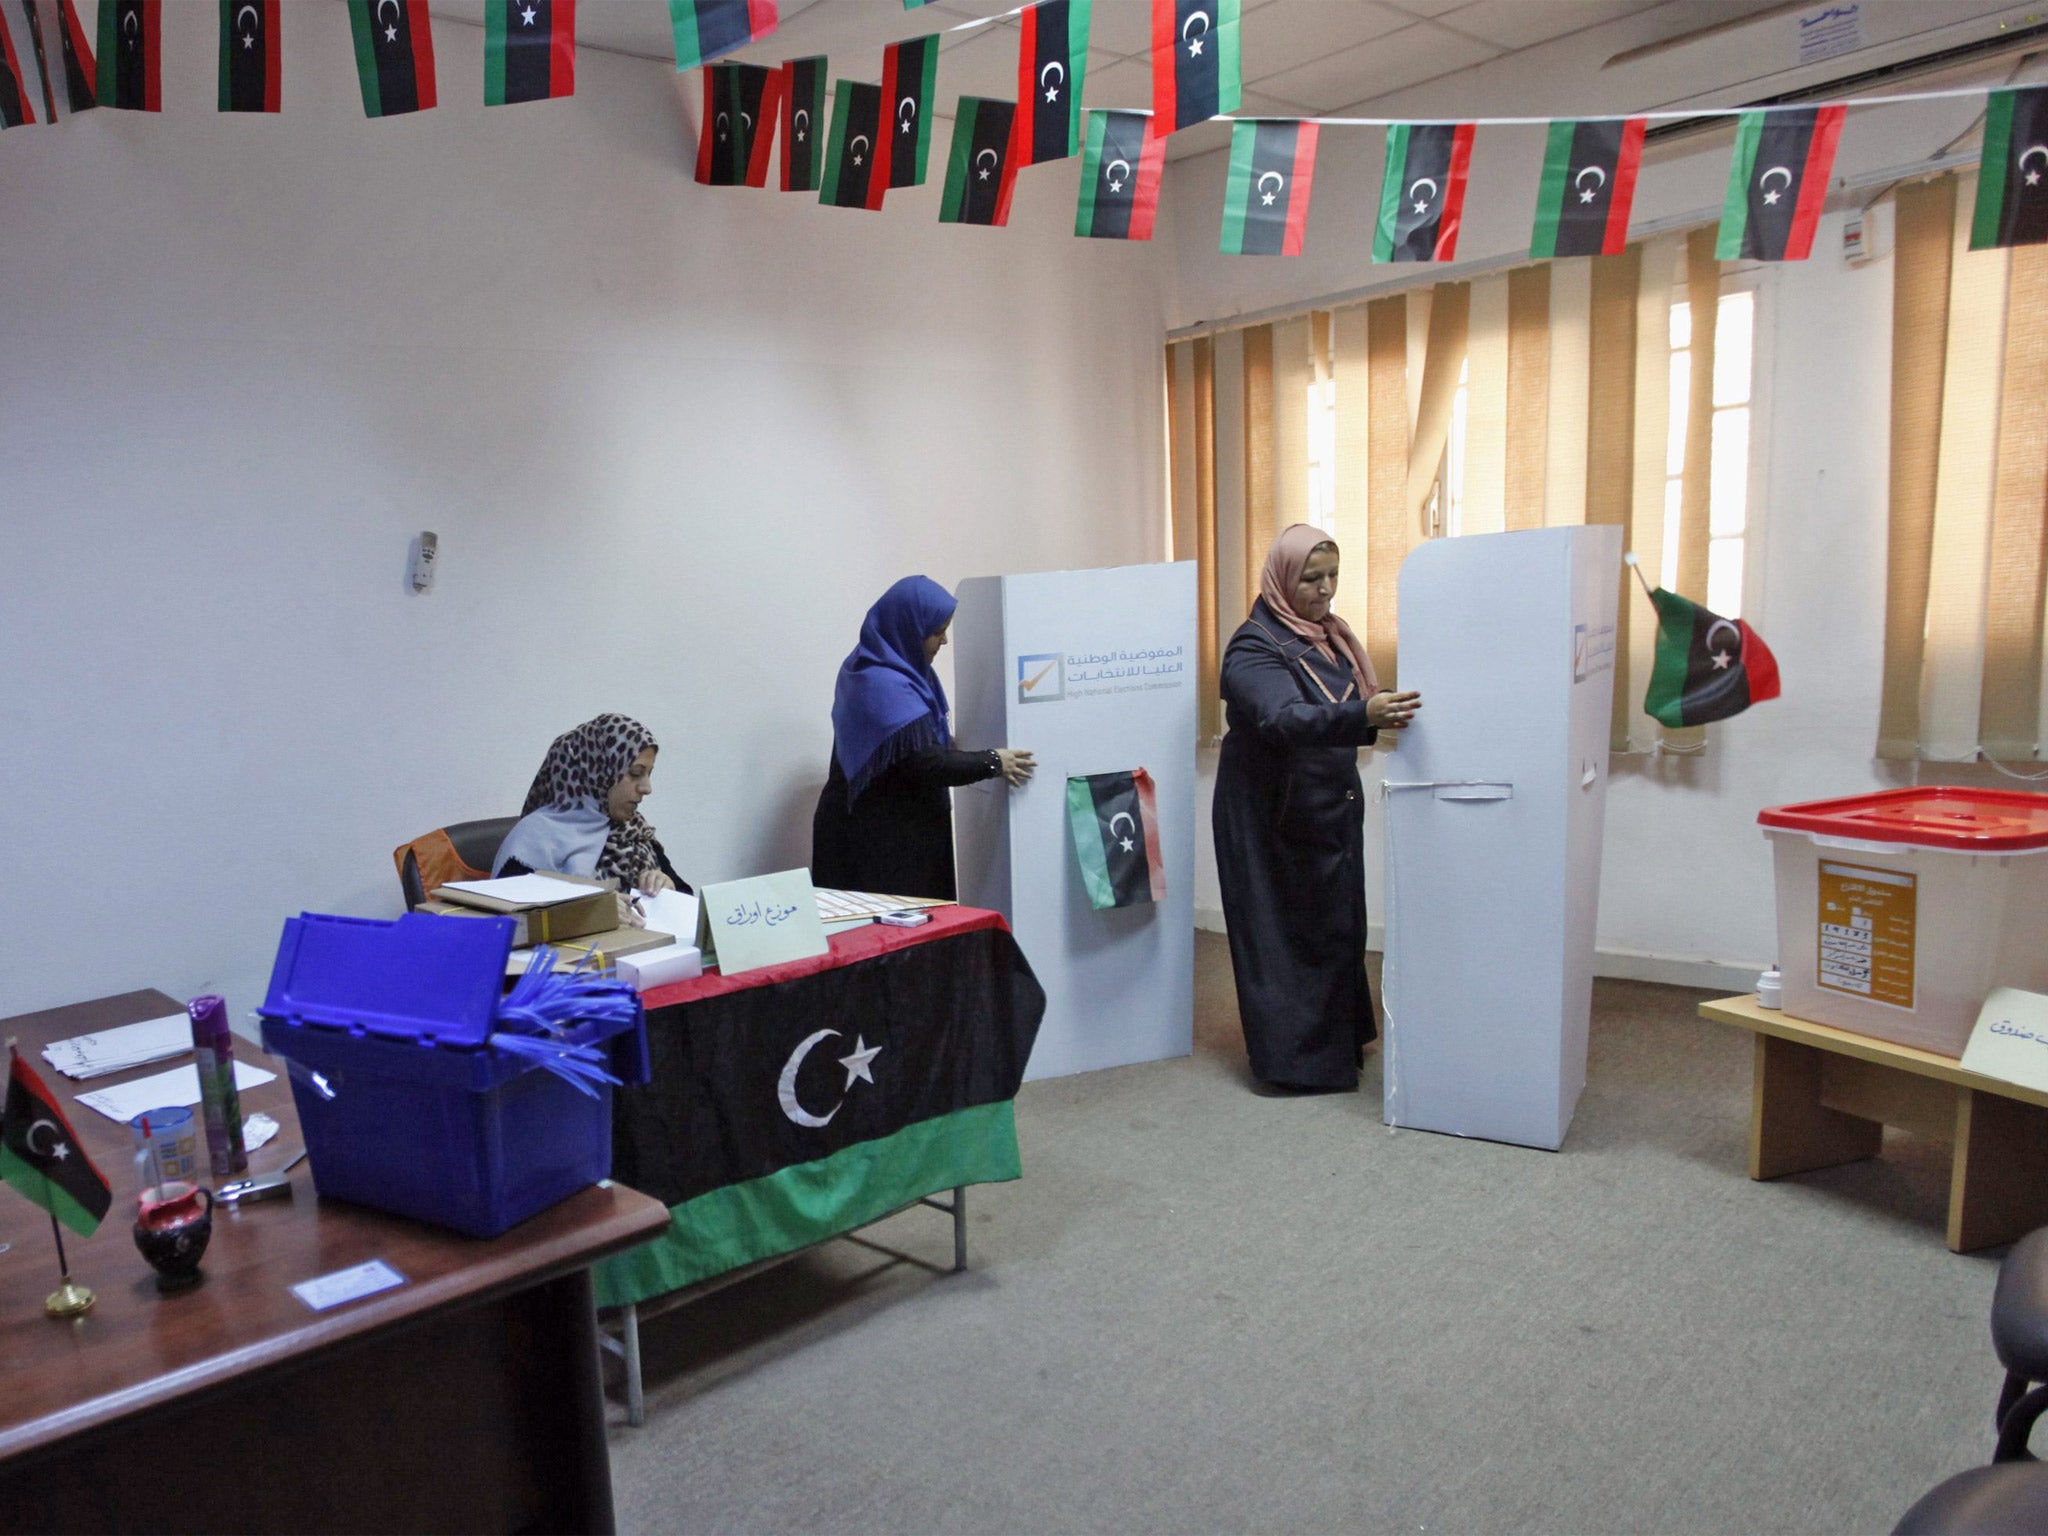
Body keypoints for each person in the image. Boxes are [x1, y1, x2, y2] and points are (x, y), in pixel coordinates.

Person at [1213, 524, 1422, 1093]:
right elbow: (1282, 719)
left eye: (1333, 575)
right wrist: (1365, 716)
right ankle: (1297, 1064)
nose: (1326, 589)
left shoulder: (1330, 634)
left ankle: (1339, 1041)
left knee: (1337, 926)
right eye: (1312, 578)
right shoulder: (1254, 645)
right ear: (1283, 578)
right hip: (1271, 813)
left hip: (1326, 803)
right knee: (1287, 936)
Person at [812, 575, 1034, 900]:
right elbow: (925, 763)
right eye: (937, 631)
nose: (943, 641)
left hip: (899, 838)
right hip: (874, 847)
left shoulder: (901, 673)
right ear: (908, 629)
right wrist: (994, 762)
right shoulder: (880, 684)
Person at [493, 713, 688, 926]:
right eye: (634, 773)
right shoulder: (534, 838)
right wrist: (590, 911)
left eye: (649, 774)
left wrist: (669, 890)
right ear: (596, 771)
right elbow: (511, 922)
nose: (646, 788)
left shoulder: (633, 831)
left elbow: (689, 906)